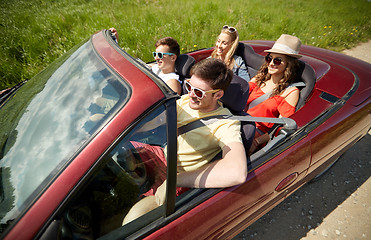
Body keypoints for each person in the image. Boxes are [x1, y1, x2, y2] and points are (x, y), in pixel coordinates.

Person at [123, 58, 249, 223]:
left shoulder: (226, 124)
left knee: (133, 220)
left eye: (199, 93)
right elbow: (157, 120)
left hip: (177, 177)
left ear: (218, 95)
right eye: (189, 86)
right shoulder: (186, 101)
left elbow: (236, 173)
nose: (190, 94)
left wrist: (175, 181)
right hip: (161, 155)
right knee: (115, 152)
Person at [244, 34, 302, 153]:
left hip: (255, 136)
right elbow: (240, 95)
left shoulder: (290, 92)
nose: (271, 63)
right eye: (269, 58)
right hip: (239, 123)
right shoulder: (260, 78)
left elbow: (281, 127)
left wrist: (257, 142)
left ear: (288, 64)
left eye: (277, 60)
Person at [109, 28, 182, 94]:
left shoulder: (172, 82)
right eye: (155, 54)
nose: (156, 58)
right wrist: (115, 44)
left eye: (160, 55)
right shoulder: (155, 68)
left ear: (173, 58)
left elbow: (171, 106)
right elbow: (132, 65)